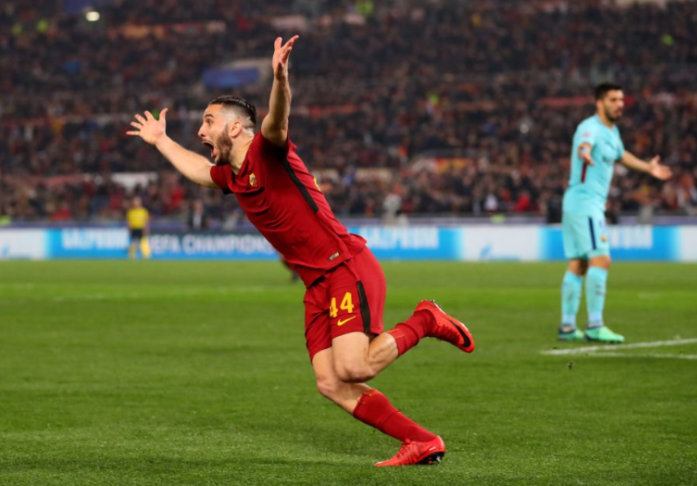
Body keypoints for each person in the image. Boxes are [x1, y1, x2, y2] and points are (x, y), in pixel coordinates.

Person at [126, 36, 474, 467]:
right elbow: (199, 170)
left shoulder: (266, 151)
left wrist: (279, 78)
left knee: (355, 368)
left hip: (344, 266)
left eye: (208, 121)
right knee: (330, 382)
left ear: (234, 128)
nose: (200, 130)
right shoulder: (233, 176)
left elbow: (277, 120)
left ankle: (426, 320)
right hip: (316, 285)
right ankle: (421, 441)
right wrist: (160, 141)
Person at [559, 83, 672, 343]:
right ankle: (595, 325)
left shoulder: (612, 132)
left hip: (580, 202)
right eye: (613, 100)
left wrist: (647, 167)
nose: (619, 104)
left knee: (579, 263)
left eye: (621, 99)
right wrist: (584, 152)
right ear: (599, 103)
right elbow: (585, 143)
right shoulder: (590, 127)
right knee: (601, 260)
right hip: (585, 203)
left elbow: (621, 155)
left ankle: (567, 327)